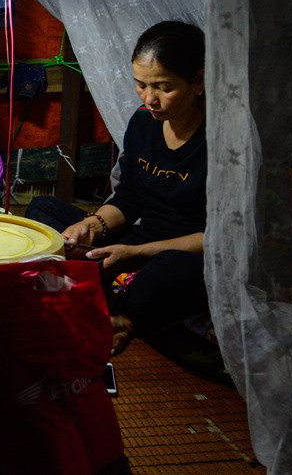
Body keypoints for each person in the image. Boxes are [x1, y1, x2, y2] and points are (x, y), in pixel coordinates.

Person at [26, 21, 207, 356]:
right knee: (42, 211)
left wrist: (135, 253)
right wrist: (91, 227)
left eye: (164, 88)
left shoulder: (217, 140)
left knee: (159, 279)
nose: (150, 99)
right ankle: (110, 300)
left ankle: (110, 301)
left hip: (183, 255)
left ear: (198, 81)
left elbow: (217, 239)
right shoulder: (143, 123)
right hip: (136, 240)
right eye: (141, 85)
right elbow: (128, 198)